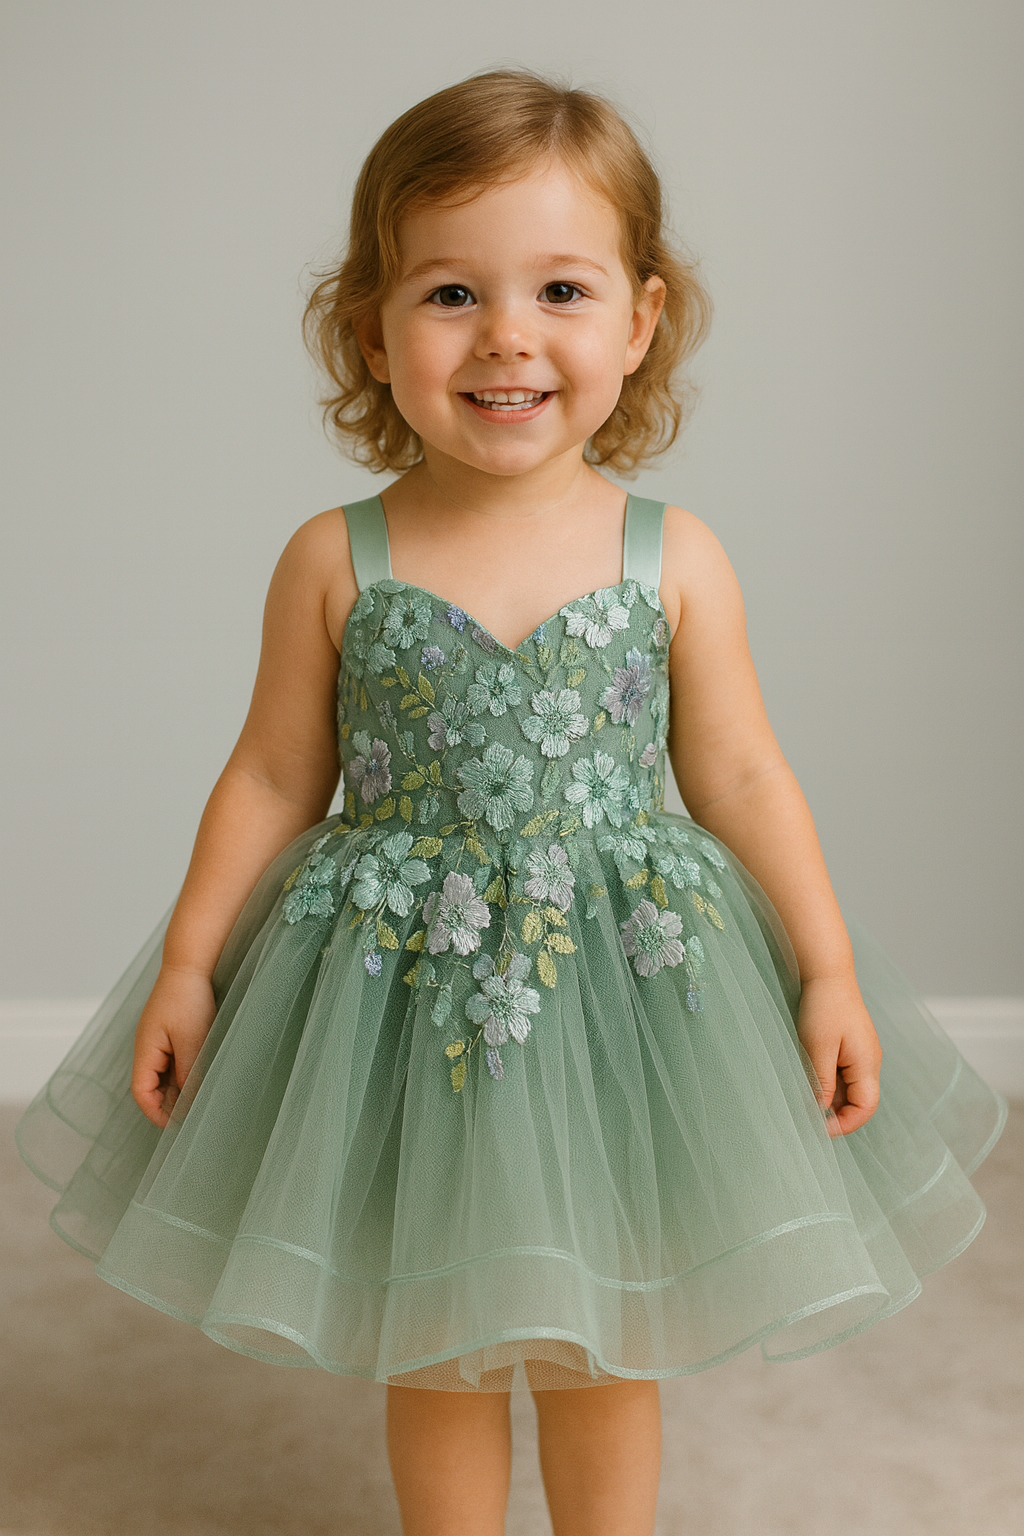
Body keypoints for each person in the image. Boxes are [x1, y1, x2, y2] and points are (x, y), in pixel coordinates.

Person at [17, 70, 1006, 1536]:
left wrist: (827, 965)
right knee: (441, 1343)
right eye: (449, 294)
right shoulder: (333, 557)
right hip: (396, 1000)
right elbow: (278, 772)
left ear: (640, 320)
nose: (508, 338)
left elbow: (736, 770)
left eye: (560, 288)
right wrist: (186, 961)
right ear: (371, 326)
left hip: (626, 996)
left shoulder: (675, 556)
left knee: (610, 1338)